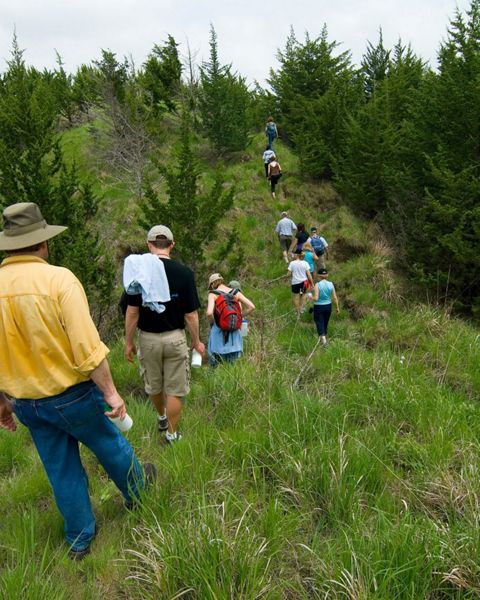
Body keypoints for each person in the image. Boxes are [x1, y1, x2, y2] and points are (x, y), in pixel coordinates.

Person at [0, 202, 154, 560]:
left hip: (27, 404)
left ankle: (80, 539)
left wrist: (2, 404)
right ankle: (139, 494)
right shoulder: (59, 279)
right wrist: (112, 393)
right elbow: (87, 350)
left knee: (60, 468)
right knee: (109, 445)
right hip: (71, 395)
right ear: (42, 243)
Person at [124, 225, 205, 444]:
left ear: (149, 245)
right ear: (172, 245)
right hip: (175, 337)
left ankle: (161, 416)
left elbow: (132, 312)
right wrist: (196, 341)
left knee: (154, 384)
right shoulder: (184, 273)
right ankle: (171, 434)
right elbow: (191, 315)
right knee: (175, 390)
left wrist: (128, 342)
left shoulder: (140, 273)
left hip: (148, 338)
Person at [206, 274, 255, 366]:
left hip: (218, 337)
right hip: (235, 338)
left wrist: (214, 323)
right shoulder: (236, 292)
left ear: (212, 284)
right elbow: (251, 307)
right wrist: (239, 317)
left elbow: (209, 313)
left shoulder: (213, 294)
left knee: (215, 369)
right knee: (233, 368)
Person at [312, 267, 340, 346]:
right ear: (327, 275)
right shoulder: (331, 284)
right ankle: (323, 336)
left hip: (319, 307)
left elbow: (316, 298)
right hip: (328, 306)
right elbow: (334, 297)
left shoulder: (317, 285)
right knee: (325, 322)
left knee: (319, 321)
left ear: (318, 276)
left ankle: (324, 342)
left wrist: (310, 297)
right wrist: (337, 307)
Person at [288, 250, 314, 316]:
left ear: (297, 255)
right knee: (304, 294)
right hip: (304, 283)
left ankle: (297, 313)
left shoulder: (292, 263)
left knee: (296, 297)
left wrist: (289, 275)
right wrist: (312, 283)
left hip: (295, 283)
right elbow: (309, 275)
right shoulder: (305, 263)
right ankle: (302, 309)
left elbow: (288, 274)